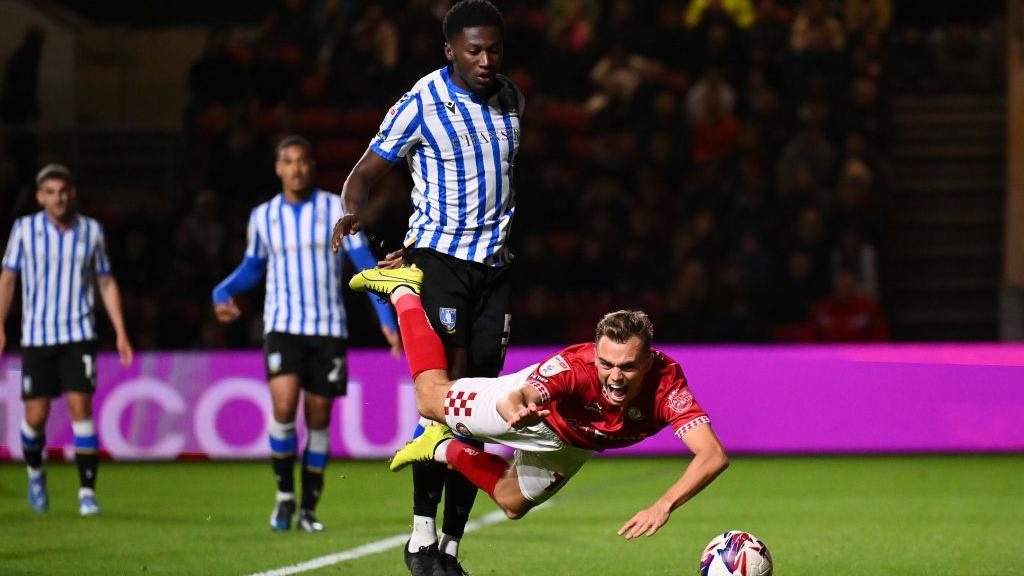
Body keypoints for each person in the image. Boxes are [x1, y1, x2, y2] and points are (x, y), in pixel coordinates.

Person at [330, 2, 523, 574]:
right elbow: (363, 173)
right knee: (446, 401)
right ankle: (420, 536)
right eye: (473, 51)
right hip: (438, 263)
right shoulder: (421, 103)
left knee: (484, 410)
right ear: (449, 51)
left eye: (493, 49)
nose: (486, 60)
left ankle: (451, 547)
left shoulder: (513, 98)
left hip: (495, 269)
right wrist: (354, 213)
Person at [351, 265, 730, 539]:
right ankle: (403, 292)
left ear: (648, 361)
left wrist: (662, 505)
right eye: (606, 364)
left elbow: (712, 455)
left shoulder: (667, 383)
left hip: (575, 444)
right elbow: (526, 393)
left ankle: (440, 446)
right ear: (594, 354)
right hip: (537, 417)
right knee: (429, 398)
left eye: (628, 367)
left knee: (512, 503)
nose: (614, 377)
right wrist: (514, 405)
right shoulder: (574, 368)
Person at [212, 135, 400, 533]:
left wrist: (387, 317)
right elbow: (252, 267)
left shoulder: (336, 207)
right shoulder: (263, 216)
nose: (296, 168)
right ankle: (284, 497)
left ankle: (309, 507)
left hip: (328, 328)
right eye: (288, 162)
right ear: (278, 168)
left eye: (303, 161)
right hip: (282, 326)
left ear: (312, 166)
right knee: (283, 408)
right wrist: (223, 290)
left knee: (317, 418)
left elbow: (363, 262)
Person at [0, 163, 134, 516]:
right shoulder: (24, 230)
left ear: (71, 193)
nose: (57, 199)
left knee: (81, 408)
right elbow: (8, 279)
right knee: (35, 416)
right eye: (50, 193)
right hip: (37, 335)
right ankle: (35, 473)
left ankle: (87, 492)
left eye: (63, 192)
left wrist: (120, 331)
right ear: (40, 197)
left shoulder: (91, 231)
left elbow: (105, 281)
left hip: (79, 334)